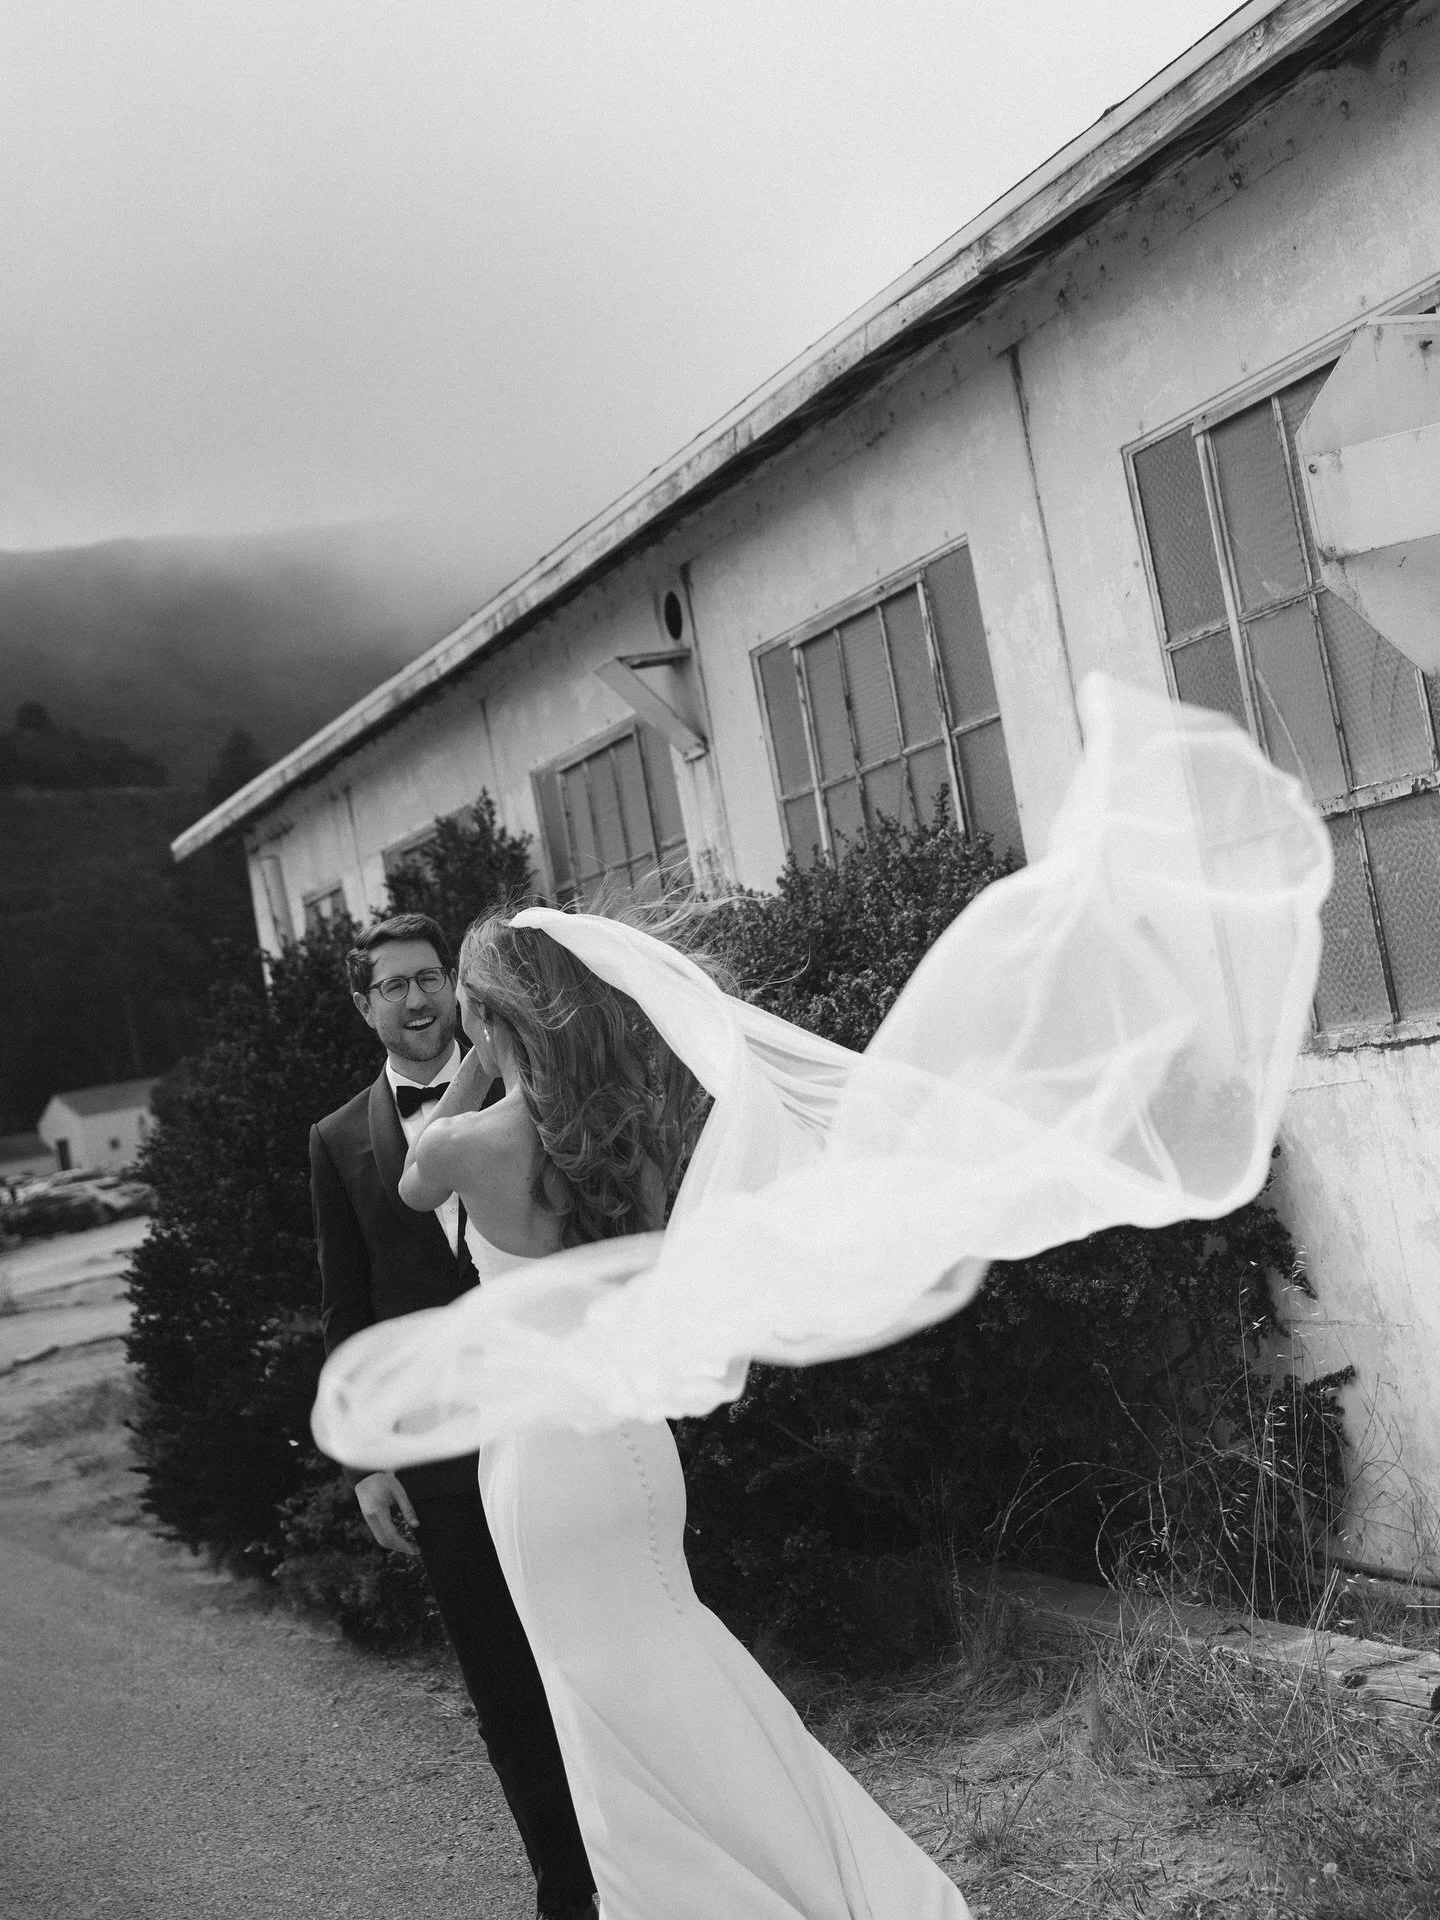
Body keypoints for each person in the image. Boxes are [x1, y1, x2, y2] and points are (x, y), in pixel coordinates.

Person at [314, 678, 1333, 1920]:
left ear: (490, 1017)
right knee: (680, 1660)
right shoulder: (628, 1143)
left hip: (542, 1459)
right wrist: (526, 1035)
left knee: (598, 1702)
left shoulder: (470, 1145)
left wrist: (481, 1056)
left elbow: (414, 1178)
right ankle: (829, 1882)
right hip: (633, 1450)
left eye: (470, 1008)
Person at [308, 912, 597, 1920]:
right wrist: (366, 1462)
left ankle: (643, 1865)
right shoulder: (337, 1141)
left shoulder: (536, 1090)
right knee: (504, 1687)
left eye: (430, 977)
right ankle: (568, 1892)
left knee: (591, 1652)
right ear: (365, 1005)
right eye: (393, 985)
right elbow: (348, 1308)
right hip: (440, 1457)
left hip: (555, 1420)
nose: (418, 998)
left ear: (457, 988)